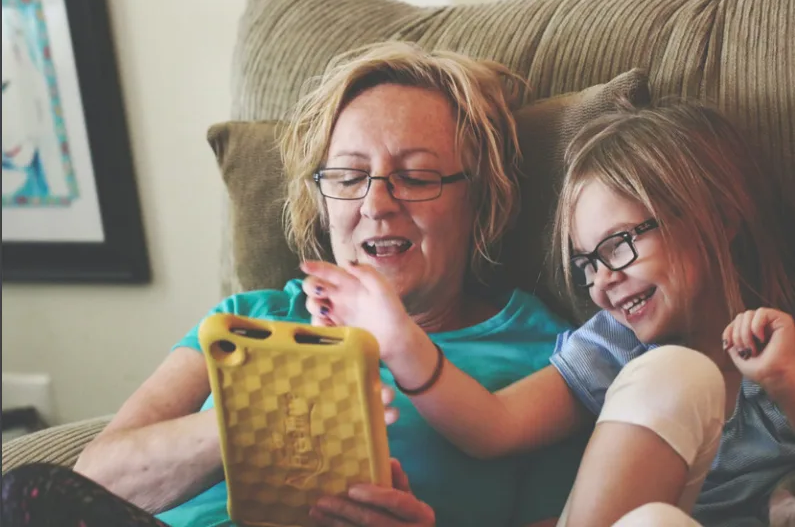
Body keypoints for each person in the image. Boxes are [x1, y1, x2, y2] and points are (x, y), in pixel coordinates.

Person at [1, 42, 587, 527]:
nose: (376, 204)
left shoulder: (547, 359)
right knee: (28, 494)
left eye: (416, 176)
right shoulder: (249, 319)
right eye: (349, 176)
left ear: (481, 199)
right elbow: (95, 481)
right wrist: (261, 417)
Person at [302, 101, 795, 526]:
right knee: (671, 400)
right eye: (587, 264)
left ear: (719, 216)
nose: (602, 281)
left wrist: (786, 381)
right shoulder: (615, 346)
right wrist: (399, 338)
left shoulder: (786, 355)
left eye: (618, 245)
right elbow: (495, 425)